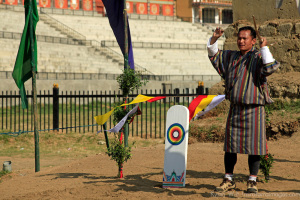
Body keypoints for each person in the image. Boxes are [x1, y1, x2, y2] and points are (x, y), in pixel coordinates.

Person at [207, 26, 280, 193]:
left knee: (255, 146)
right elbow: (214, 55)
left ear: (253, 41)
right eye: (239, 38)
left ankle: (252, 180)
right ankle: (228, 179)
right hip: (235, 109)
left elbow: (270, 68)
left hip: (254, 109)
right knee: (230, 146)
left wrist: (264, 48)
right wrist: (214, 39)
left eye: (244, 38)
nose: (240, 41)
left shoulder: (258, 56)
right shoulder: (231, 56)